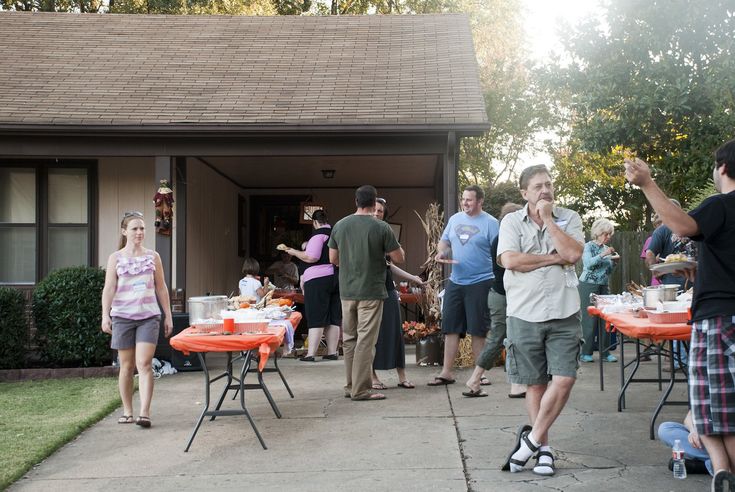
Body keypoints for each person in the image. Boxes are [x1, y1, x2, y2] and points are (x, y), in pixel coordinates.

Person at [625, 141, 735, 492]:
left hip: (719, 318)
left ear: (721, 168)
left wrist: (646, 183)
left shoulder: (722, 204)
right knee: (708, 408)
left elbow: (683, 225)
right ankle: (721, 473)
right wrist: (702, 269)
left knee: (718, 409)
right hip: (720, 311)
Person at [498, 165, 584, 476]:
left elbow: (573, 254)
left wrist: (548, 219)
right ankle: (544, 449)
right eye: (537, 186)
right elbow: (510, 260)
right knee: (535, 384)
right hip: (524, 313)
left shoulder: (569, 217)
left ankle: (529, 442)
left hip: (564, 312)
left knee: (564, 379)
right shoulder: (511, 221)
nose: (545, 190)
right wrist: (552, 258)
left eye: (548, 184)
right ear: (524, 193)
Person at [328, 185, 405, 401]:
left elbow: (333, 259)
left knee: (350, 339)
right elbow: (398, 258)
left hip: (347, 291)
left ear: (356, 201)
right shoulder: (381, 227)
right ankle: (361, 390)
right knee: (365, 341)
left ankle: (351, 386)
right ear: (374, 204)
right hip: (371, 291)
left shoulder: (340, 226)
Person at [101, 211, 173, 429]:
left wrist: (168, 315)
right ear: (125, 231)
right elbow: (109, 288)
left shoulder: (153, 257)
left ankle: (144, 412)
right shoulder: (116, 258)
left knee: (144, 364)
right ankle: (127, 411)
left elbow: (161, 287)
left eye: (142, 228)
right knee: (126, 366)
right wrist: (105, 315)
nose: (140, 232)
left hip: (148, 316)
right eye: (135, 228)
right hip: (122, 316)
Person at [429, 185, 499, 387]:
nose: (465, 203)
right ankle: (446, 372)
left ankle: (480, 374)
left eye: (469, 200)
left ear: (480, 201)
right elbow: (444, 242)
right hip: (456, 281)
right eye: (463, 199)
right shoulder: (455, 220)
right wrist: (441, 253)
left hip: (481, 281)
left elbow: (499, 253)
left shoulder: (491, 223)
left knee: (478, 329)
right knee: (450, 327)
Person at [463, 202, 526, 398]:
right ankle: (475, 379)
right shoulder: (502, 240)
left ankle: (516, 384)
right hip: (503, 296)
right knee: (499, 337)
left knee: (516, 339)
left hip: (507, 295)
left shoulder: (508, 238)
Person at [371, 197, 423, 390]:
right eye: (374, 210)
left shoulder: (386, 233)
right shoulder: (363, 232)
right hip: (368, 290)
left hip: (388, 289)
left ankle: (402, 375)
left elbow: (391, 263)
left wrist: (413, 277)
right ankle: (373, 376)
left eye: (380, 211)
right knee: (371, 335)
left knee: (395, 333)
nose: (376, 214)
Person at [283, 210, 341, 362]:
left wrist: (294, 252)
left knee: (316, 315)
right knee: (333, 316)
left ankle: (311, 354)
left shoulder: (318, 235)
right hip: (336, 277)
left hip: (318, 280)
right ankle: (332, 352)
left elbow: (311, 257)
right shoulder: (336, 233)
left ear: (315, 222)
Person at [578, 218, 619, 363]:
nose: (608, 237)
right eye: (605, 234)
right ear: (598, 232)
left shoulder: (605, 249)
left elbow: (606, 271)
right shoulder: (588, 246)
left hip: (603, 285)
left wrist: (614, 263)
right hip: (588, 285)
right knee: (589, 320)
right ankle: (585, 352)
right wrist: (604, 255)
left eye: (609, 234)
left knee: (605, 318)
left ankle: (605, 352)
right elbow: (589, 264)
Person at [658, 411, 713, 476]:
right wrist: (693, 430)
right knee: (665, 428)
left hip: (722, 441)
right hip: (704, 440)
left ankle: (706, 466)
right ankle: (714, 463)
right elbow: (689, 416)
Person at [640, 213, 663, 286]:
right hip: (658, 281)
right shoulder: (650, 240)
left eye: (662, 223)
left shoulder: (675, 237)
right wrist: (655, 258)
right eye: (658, 223)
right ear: (655, 226)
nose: (661, 226)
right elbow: (647, 264)